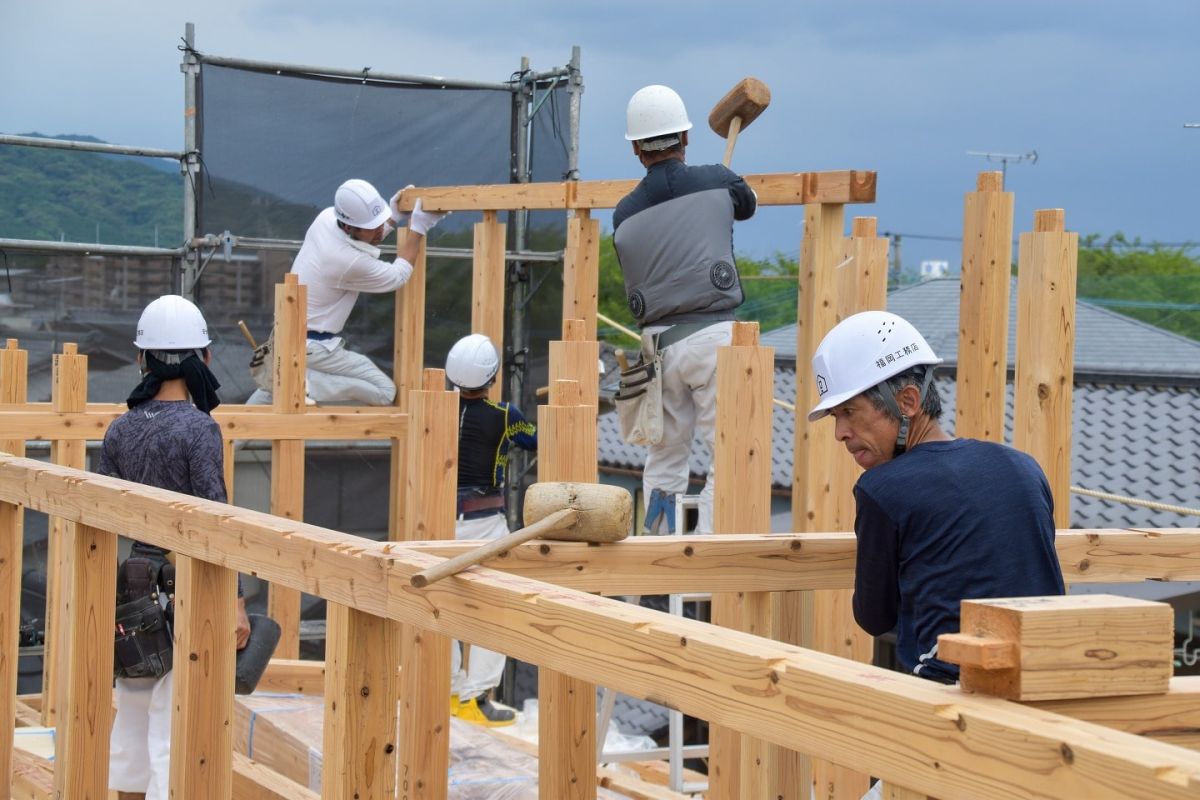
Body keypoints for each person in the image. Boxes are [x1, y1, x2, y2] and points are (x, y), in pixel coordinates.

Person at [807, 310, 1066, 686]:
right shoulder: (1022, 467)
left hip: (953, 689)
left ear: (908, 402)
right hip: (1050, 676)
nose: (841, 433)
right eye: (835, 417)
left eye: (849, 411)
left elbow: (874, 617)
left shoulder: (882, 489)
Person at [102, 295, 251, 800]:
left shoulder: (119, 429)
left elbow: (107, 510)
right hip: (181, 587)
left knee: (132, 712)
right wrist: (235, 602)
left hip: (132, 584)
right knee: (171, 723)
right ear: (202, 359)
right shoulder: (200, 428)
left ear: (142, 358)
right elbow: (217, 518)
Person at [611, 84, 757, 534]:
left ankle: (658, 553)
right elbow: (746, 206)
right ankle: (712, 554)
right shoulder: (717, 179)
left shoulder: (623, 213)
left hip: (658, 349)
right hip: (713, 337)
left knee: (666, 455)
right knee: (726, 451)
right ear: (686, 138)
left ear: (636, 148)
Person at [247, 179, 447, 405]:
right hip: (313, 347)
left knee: (253, 413)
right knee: (383, 391)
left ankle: (279, 384)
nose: (380, 229)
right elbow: (397, 276)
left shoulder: (326, 218)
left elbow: (362, 241)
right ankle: (298, 383)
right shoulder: (343, 261)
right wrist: (418, 230)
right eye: (373, 226)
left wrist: (391, 216)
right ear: (350, 227)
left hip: (290, 339)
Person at [445, 333, 536, 726]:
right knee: (493, 606)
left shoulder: (437, 408)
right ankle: (476, 698)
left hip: (438, 522)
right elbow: (533, 440)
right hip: (484, 522)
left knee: (441, 602)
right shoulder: (504, 414)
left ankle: (449, 691)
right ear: (493, 376)